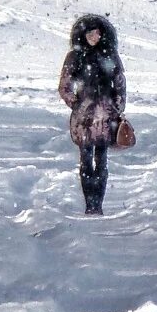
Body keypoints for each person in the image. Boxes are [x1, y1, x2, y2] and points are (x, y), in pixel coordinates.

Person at [58, 13, 126, 215]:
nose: (94, 37)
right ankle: (90, 203)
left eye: (97, 33)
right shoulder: (75, 57)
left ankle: (98, 204)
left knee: (102, 160)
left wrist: (116, 107)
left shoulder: (110, 57)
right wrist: (77, 104)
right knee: (86, 160)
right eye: (90, 33)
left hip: (106, 117)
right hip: (84, 119)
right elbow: (65, 85)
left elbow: (120, 84)